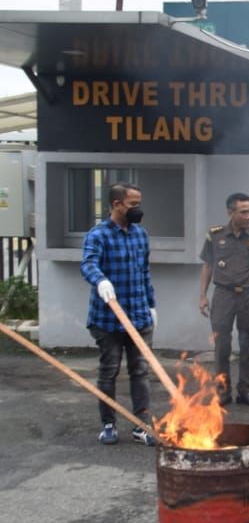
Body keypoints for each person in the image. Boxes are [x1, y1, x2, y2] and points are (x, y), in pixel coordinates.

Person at [80, 182, 158, 446]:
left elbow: (144, 271)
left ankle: (141, 426)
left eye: (139, 203)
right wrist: (100, 280)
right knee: (109, 371)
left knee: (140, 371)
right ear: (116, 204)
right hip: (108, 319)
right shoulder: (98, 235)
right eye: (133, 205)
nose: (138, 209)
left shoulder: (140, 234)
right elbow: (88, 263)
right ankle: (109, 424)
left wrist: (151, 304)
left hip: (139, 316)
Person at [198, 193, 249, 407]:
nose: (248, 216)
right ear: (230, 212)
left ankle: (245, 389)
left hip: (248, 294)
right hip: (223, 294)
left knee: (247, 342)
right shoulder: (215, 235)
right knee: (222, 344)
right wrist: (202, 295)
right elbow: (207, 266)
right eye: (243, 212)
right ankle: (222, 390)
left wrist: (247, 269)